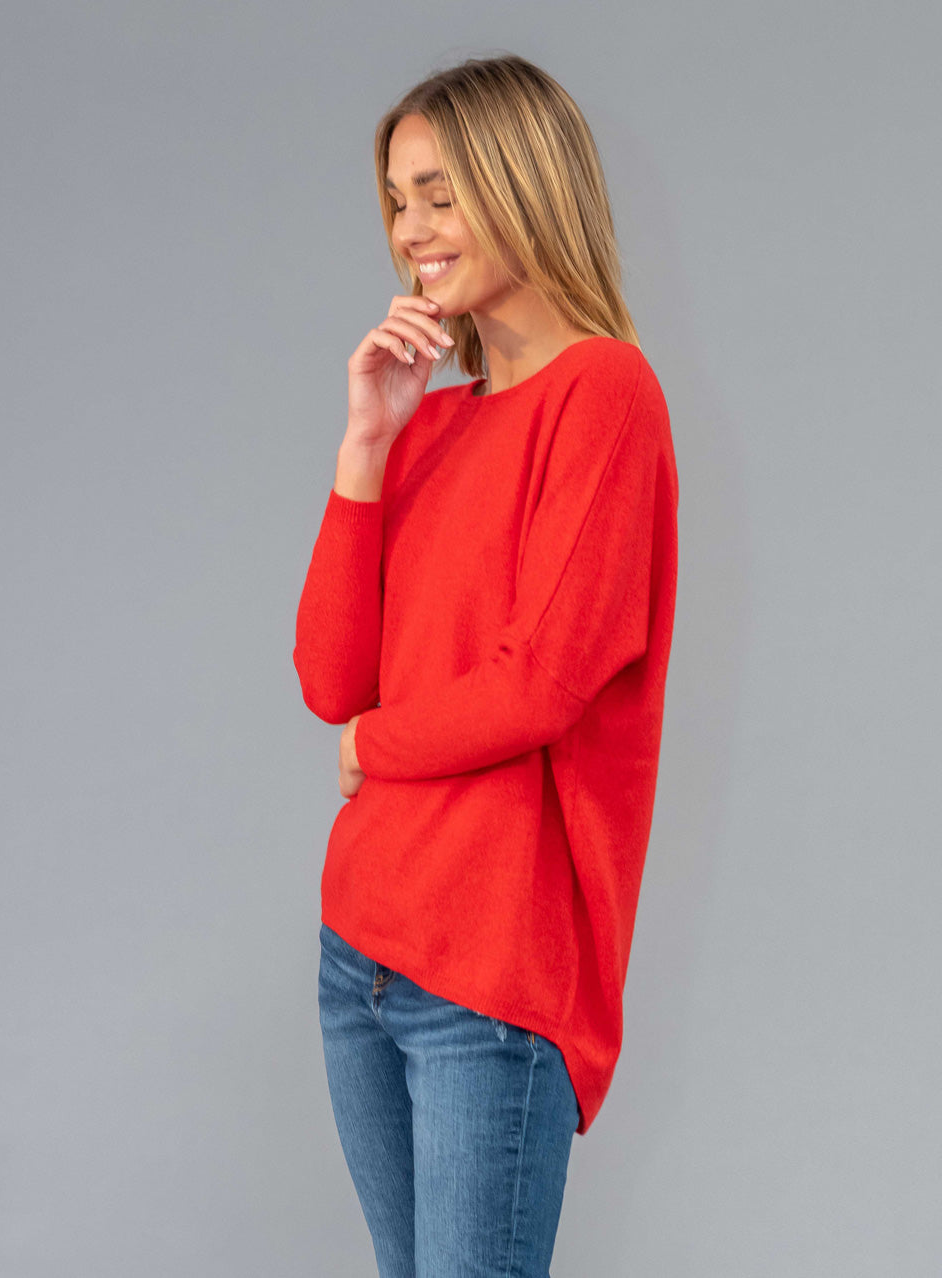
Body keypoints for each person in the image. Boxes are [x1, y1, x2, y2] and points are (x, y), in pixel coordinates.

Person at [293, 53, 679, 1278]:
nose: (411, 229)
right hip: (360, 949)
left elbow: (539, 685)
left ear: (526, 185)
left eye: (441, 193)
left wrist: (371, 747)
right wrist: (366, 448)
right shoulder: (433, 423)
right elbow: (329, 680)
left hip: (492, 973)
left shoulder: (603, 392)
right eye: (396, 199)